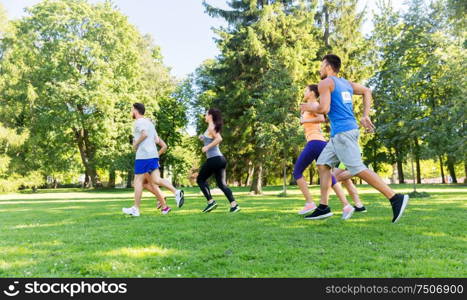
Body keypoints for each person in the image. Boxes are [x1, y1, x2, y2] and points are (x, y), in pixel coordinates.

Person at [301, 54, 408, 223]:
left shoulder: (325, 83)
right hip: (340, 134)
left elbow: (324, 108)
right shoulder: (346, 83)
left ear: (328, 67)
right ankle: (323, 207)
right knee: (322, 164)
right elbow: (367, 91)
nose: (320, 69)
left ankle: (394, 197)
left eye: (322, 66)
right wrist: (365, 115)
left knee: (357, 168)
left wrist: (311, 106)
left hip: (344, 133)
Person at [294, 84, 355, 220]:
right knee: (329, 177)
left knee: (297, 172)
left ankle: (310, 203)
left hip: (315, 143)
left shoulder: (314, 104)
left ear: (311, 93)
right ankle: (346, 205)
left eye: (305, 89)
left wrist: (305, 119)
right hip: (319, 142)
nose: (304, 91)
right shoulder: (309, 105)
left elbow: (322, 118)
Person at [123, 103, 184, 217]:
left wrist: (135, 144)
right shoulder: (150, 123)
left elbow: (144, 134)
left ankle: (136, 208)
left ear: (136, 111)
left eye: (132, 110)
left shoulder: (139, 122)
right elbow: (156, 140)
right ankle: (176, 192)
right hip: (153, 154)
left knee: (137, 182)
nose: (131, 112)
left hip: (143, 155)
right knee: (156, 180)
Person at [197, 108, 240, 213]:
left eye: (206, 114)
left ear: (210, 116)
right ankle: (234, 205)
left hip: (214, 159)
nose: (204, 116)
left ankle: (211, 202)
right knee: (221, 184)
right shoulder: (210, 128)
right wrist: (203, 138)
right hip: (219, 159)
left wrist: (207, 147)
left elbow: (219, 139)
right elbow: (212, 138)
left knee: (200, 180)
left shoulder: (211, 127)